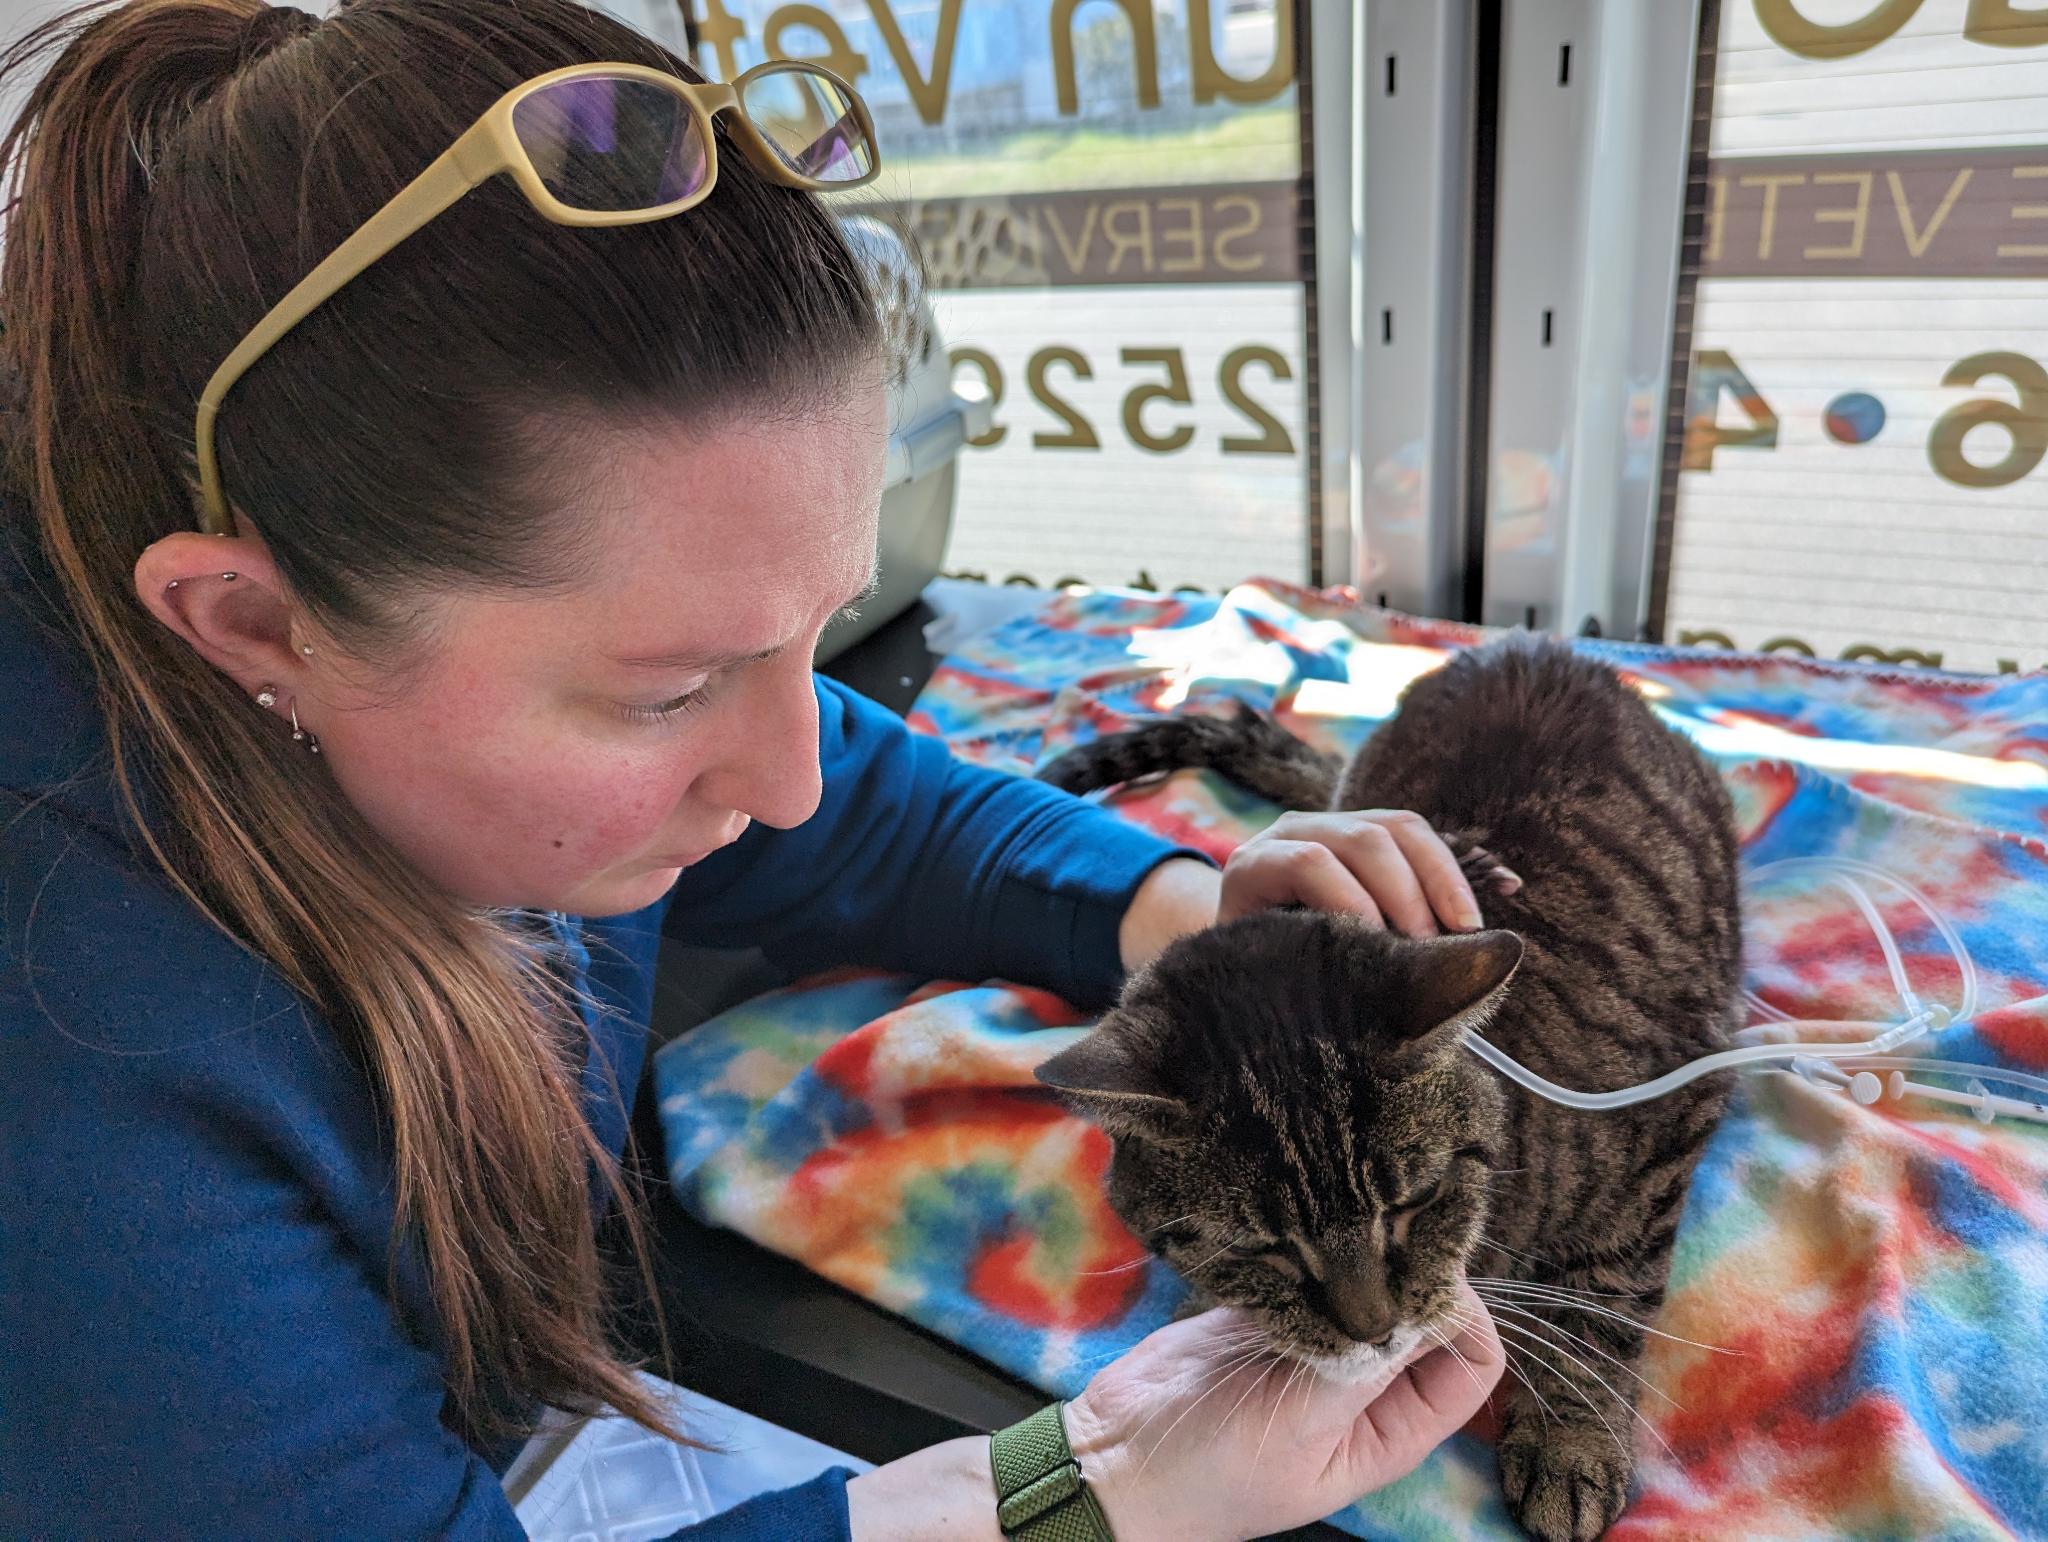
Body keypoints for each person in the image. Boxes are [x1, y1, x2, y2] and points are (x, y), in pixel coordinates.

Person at [0, 2, 1504, 1538]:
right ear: (253, 620)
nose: (787, 777)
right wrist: (1083, 1487)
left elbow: (860, 801)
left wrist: (1201, 937)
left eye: (816, 632)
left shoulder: (532, 721)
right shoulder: (72, 1105)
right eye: (674, 688)